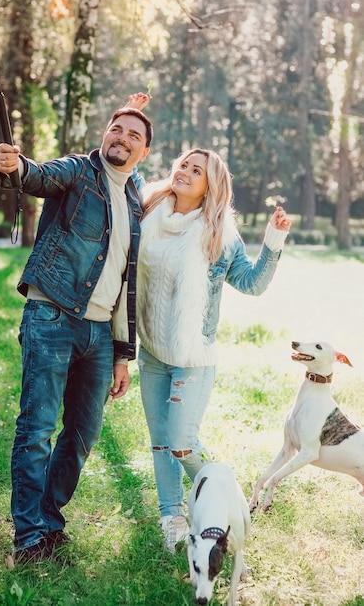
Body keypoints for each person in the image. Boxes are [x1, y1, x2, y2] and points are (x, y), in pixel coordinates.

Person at [0, 101, 153, 564]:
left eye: (133, 136)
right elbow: (37, 175)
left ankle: (48, 518)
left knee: (83, 432)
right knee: (38, 427)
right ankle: (28, 537)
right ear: (103, 134)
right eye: (115, 129)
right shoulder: (79, 172)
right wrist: (15, 167)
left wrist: (125, 355)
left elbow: (128, 285)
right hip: (52, 317)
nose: (121, 138)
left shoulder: (134, 198)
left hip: (100, 334)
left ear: (143, 152)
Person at [135, 145, 292, 553]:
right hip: (151, 352)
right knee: (160, 442)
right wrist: (133, 114)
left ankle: (229, 500)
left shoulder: (220, 235)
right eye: (183, 165)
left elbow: (252, 284)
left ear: (210, 186)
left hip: (193, 358)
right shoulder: (150, 213)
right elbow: (126, 163)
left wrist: (274, 240)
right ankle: (171, 516)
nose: (184, 171)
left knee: (182, 442)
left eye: (196, 170)